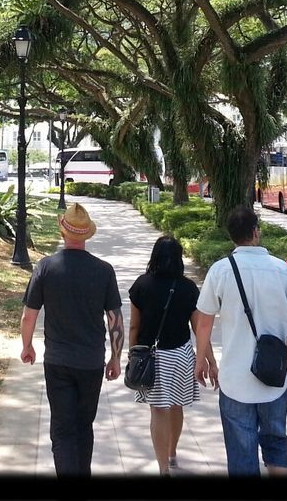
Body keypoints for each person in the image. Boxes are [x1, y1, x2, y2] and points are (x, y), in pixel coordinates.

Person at [194, 205, 287, 477]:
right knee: (275, 441)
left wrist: (200, 359)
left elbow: (204, 320)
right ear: (256, 232)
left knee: (241, 453)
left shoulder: (220, 271)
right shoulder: (283, 271)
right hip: (275, 377)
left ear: (231, 235)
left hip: (235, 379)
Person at [20, 202, 123, 477]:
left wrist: (27, 346)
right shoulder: (104, 270)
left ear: (63, 232)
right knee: (83, 426)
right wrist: (115, 357)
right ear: (87, 234)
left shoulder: (45, 267)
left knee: (63, 430)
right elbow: (115, 320)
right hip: (91, 363)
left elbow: (29, 316)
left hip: (57, 362)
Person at [127, 235, 203, 475]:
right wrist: (205, 358)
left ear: (154, 256)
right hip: (181, 354)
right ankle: (172, 453)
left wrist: (131, 354)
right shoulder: (188, 287)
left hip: (154, 356)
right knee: (177, 405)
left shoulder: (141, 285)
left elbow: (134, 327)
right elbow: (198, 327)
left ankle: (163, 469)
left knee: (158, 409)